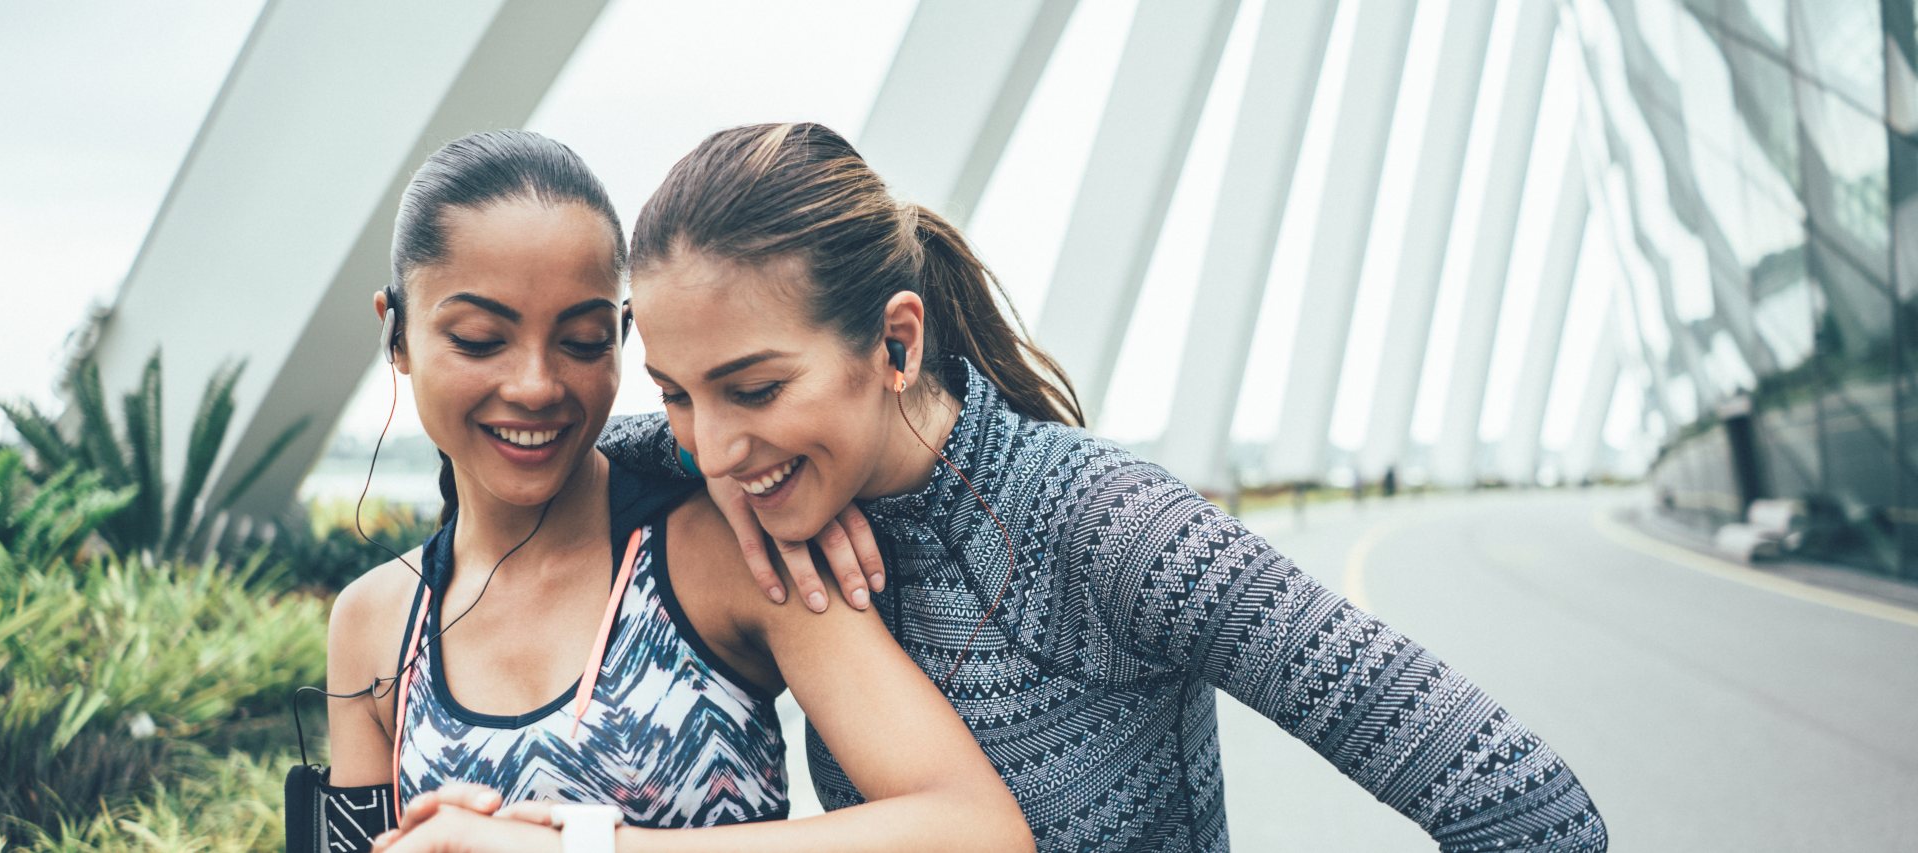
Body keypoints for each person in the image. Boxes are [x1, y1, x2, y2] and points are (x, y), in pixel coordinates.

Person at [594, 122, 1610, 851]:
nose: (714, 441)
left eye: (755, 388)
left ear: (897, 342)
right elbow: (602, 454)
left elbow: (1525, 805)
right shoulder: (746, 468)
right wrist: (734, 479)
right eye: (680, 394)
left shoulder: (1107, 523)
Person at [324, 129, 1033, 853]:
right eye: (479, 338)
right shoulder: (373, 625)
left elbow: (976, 830)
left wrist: (585, 847)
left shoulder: (728, 553)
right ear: (398, 335)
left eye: (583, 340)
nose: (536, 385)